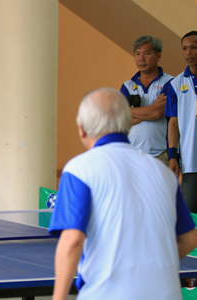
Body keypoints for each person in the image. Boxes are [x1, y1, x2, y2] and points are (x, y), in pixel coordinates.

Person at [49, 88, 197, 300]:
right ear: (128, 125)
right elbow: (190, 239)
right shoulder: (163, 173)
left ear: (82, 129)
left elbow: (72, 240)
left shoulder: (79, 170)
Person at [120, 35, 173, 165]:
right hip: (132, 155)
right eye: (137, 54)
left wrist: (129, 111)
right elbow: (122, 120)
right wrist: (152, 108)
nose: (141, 58)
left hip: (161, 154)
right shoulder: (127, 85)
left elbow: (158, 113)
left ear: (158, 56)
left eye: (146, 53)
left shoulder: (170, 82)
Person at [165, 31, 197, 213]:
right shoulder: (176, 84)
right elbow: (173, 123)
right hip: (191, 161)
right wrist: (172, 156)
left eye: (193, 47)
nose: (188, 53)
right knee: (190, 214)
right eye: (184, 48)